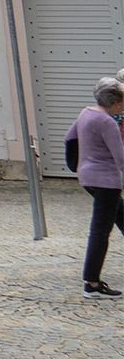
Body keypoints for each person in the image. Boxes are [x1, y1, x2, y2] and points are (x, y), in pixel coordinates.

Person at [69, 75, 124, 298]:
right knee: (100, 232)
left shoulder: (86, 113)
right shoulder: (107, 122)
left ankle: (91, 281)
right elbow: (120, 157)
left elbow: (69, 139)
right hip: (106, 181)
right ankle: (91, 283)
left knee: (122, 216)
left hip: (89, 176)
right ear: (116, 103)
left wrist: (77, 165)